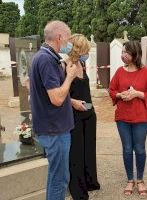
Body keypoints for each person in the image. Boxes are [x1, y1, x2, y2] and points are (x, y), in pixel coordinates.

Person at [29, 21, 77, 200]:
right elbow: (56, 98)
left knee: (55, 175)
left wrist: (71, 101)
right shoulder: (47, 59)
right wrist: (70, 77)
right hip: (54, 130)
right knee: (60, 179)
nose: (69, 41)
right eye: (68, 37)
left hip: (53, 128)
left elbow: (49, 94)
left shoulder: (46, 57)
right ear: (59, 37)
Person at [109, 41, 147, 197]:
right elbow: (112, 89)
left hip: (141, 118)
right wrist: (119, 95)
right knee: (127, 149)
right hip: (123, 117)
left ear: (135, 54)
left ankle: (140, 180)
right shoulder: (119, 72)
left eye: (127, 53)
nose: (123, 55)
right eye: (122, 52)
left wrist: (138, 94)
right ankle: (130, 179)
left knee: (140, 148)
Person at [66, 34, 100, 200]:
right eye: (86, 49)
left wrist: (91, 110)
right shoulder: (65, 65)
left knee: (89, 150)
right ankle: (78, 189)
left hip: (88, 114)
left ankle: (89, 181)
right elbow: (59, 93)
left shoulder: (82, 63)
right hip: (74, 116)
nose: (87, 53)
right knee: (77, 153)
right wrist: (72, 102)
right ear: (79, 49)